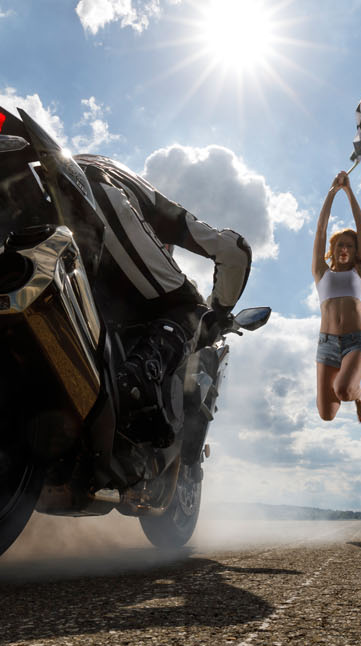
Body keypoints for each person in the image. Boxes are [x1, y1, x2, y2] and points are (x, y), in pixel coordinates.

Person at [74, 153, 252, 444]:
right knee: (189, 307)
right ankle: (138, 384)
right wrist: (217, 314)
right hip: (95, 194)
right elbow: (235, 250)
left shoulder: (105, 163)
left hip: (39, 190)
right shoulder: (161, 209)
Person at [312, 170, 361, 423]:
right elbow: (320, 229)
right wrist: (332, 192)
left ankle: (359, 393)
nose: (344, 248)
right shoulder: (321, 272)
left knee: (344, 390)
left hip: (357, 342)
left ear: (356, 252)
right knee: (326, 415)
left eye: (350, 246)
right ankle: (352, 391)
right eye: (340, 245)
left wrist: (348, 191)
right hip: (327, 344)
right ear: (333, 250)